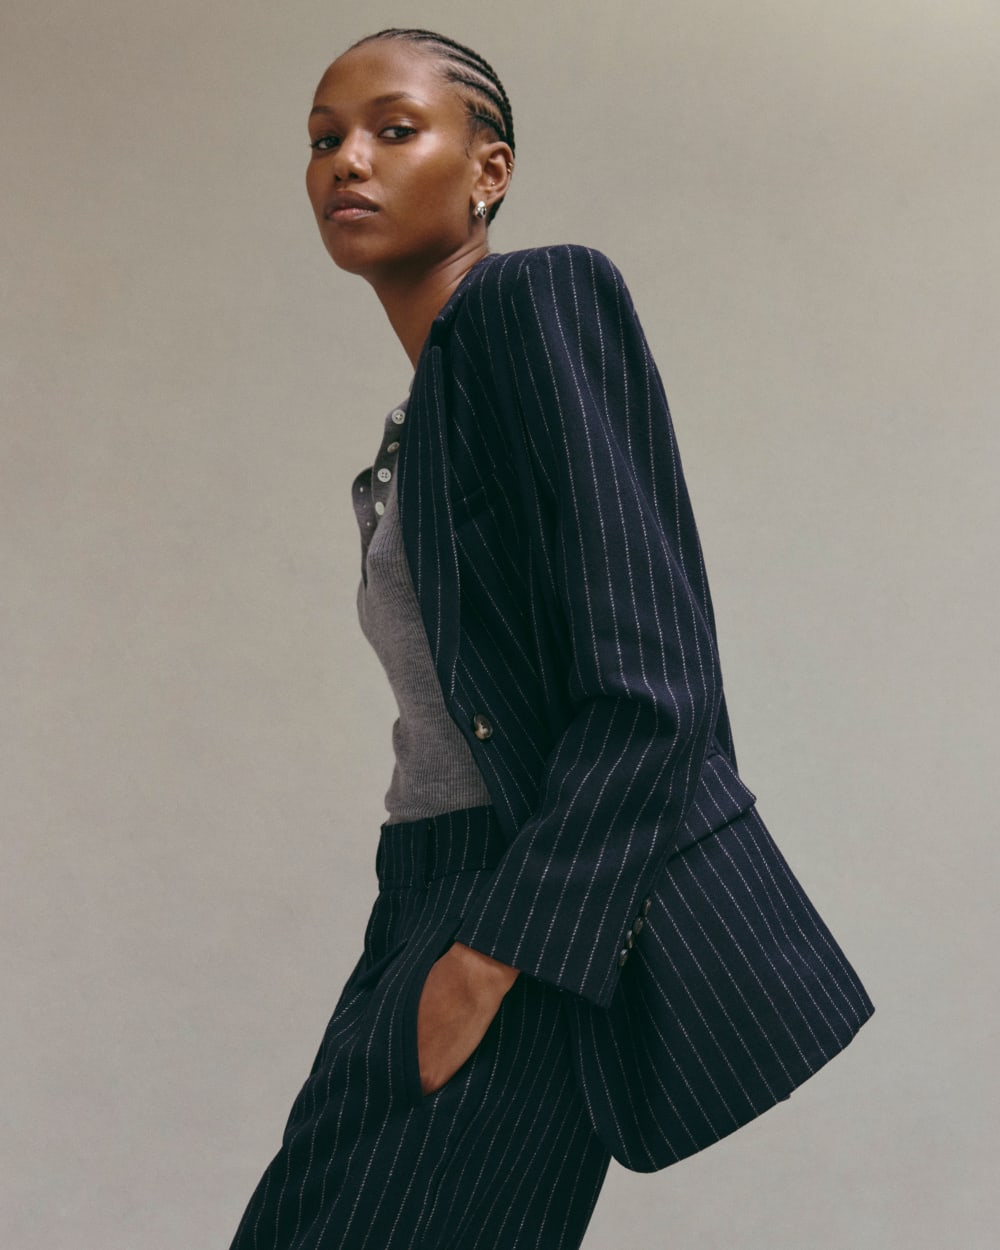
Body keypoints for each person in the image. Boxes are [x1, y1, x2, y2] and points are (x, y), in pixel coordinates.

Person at [228, 27, 874, 1250]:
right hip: (423, 891)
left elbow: (653, 682)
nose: (346, 161)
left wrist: (492, 957)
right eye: (323, 139)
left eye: (393, 129)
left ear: (490, 170)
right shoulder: (424, 414)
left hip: (523, 903)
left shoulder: (535, 301)